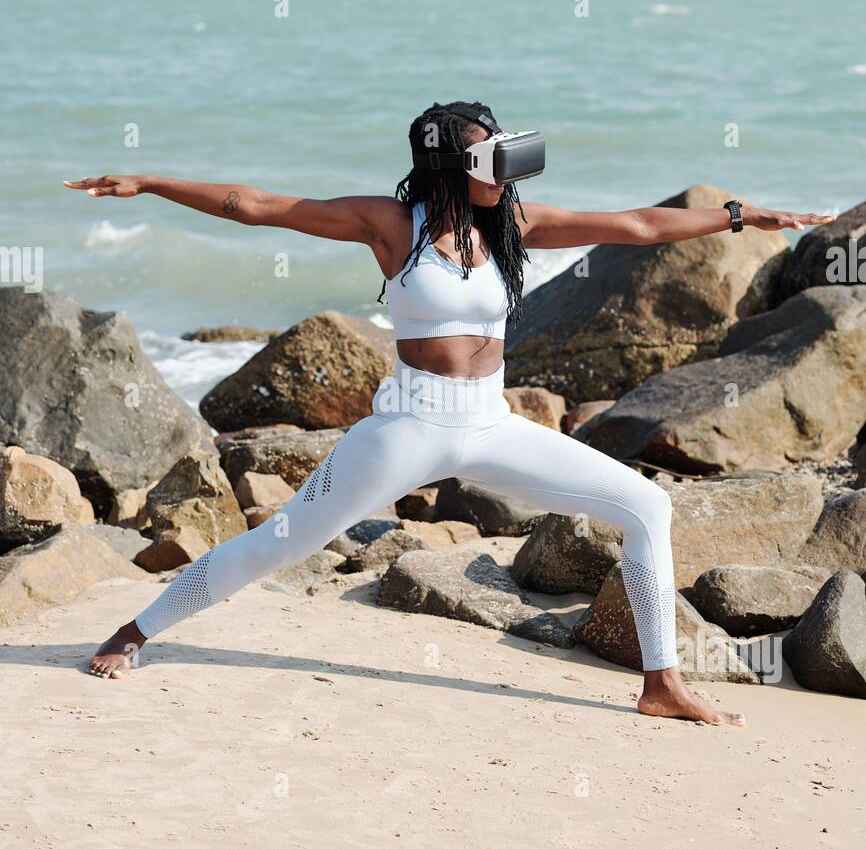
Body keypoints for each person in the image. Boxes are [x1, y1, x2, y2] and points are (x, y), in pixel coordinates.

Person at [64, 100, 834, 721]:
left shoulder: (512, 225)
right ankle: (136, 631)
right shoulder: (392, 225)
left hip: (490, 423)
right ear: (449, 165)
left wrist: (740, 215)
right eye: (493, 157)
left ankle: (661, 683)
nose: (510, 170)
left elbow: (636, 226)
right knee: (281, 543)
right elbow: (256, 206)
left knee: (647, 506)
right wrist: (151, 182)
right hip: (406, 428)